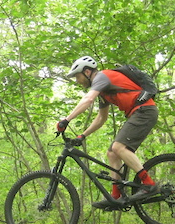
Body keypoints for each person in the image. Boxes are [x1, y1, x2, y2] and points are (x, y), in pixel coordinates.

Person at [56, 55, 159, 209]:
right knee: (112, 153)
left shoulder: (102, 78)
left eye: (78, 76)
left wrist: (66, 119)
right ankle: (116, 197)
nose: (77, 81)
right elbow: (101, 118)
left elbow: (88, 100)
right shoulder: (104, 91)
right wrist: (82, 135)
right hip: (139, 112)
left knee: (119, 147)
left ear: (87, 72)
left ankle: (149, 184)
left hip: (145, 111)